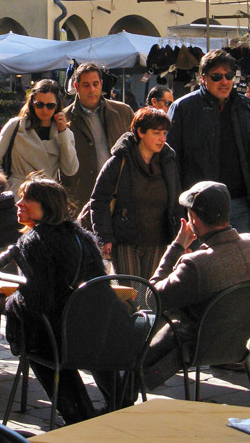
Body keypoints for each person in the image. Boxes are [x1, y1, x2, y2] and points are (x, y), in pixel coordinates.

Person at [4, 177, 114, 424]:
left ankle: (77, 415)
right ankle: (115, 404)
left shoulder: (33, 241)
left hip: (61, 338)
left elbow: (36, 301)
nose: (19, 203)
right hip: (96, 333)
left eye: (28, 198)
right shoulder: (83, 237)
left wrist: (9, 303)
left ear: (47, 205)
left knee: (32, 338)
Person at [144, 181, 250, 390]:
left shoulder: (196, 265)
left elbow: (152, 297)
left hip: (195, 347)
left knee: (145, 321)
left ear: (194, 219)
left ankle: (125, 393)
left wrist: (176, 247)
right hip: (238, 341)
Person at [90, 107, 181, 280]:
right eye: (156, 133)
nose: (162, 139)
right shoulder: (119, 161)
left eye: (164, 133)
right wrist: (105, 237)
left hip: (158, 240)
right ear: (140, 132)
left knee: (151, 293)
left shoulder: (168, 162)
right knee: (131, 293)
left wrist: (179, 239)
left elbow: (175, 204)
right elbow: (99, 200)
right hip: (125, 240)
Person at [168, 49, 250, 232]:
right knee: (203, 260)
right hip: (201, 208)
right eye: (217, 77)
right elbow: (170, 162)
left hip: (241, 205)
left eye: (229, 76)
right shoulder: (183, 108)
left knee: (243, 260)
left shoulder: (244, 107)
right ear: (203, 78)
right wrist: (179, 208)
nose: (224, 81)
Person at [62, 63, 134, 213]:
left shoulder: (123, 112)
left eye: (95, 84)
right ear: (76, 86)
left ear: (101, 84)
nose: (92, 90)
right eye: (86, 85)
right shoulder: (64, 118)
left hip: (119, 194)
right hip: (81, 196)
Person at [0, 79, 79, 194]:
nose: (44, 110)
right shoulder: (15, 126)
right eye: (39, 105)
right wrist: (7, 188)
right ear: (32, 103)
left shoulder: (64, 133)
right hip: (19, 195)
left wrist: (63, 132)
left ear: (57, 106)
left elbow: (70, 170)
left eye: (50, 106)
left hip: (48, 197)